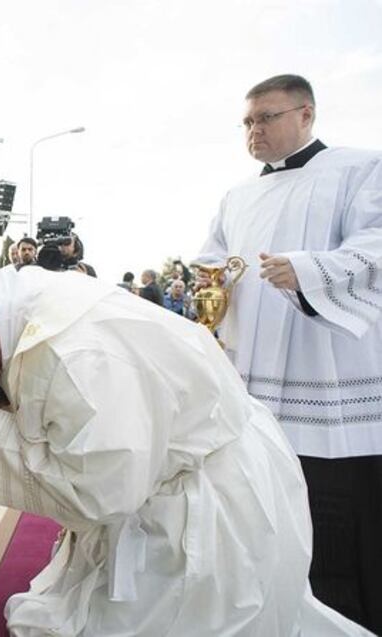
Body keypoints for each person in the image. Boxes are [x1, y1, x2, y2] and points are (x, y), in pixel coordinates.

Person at [0, 270, 369, 636]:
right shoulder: (16, 303)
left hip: (207, 496)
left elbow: (101, 493)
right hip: (189, 457)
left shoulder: (75, 357)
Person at [195, 73, 382, 633]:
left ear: (306, 115)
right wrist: (211, 289)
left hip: (329, 380)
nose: (255, 130)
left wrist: (306, 271)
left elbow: (375, 248)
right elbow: (213, 262)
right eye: (248, 121)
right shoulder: (237, 196)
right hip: (256, 382)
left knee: (340, 527)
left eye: (267, 118)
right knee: (271, 518)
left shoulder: (360, 168)